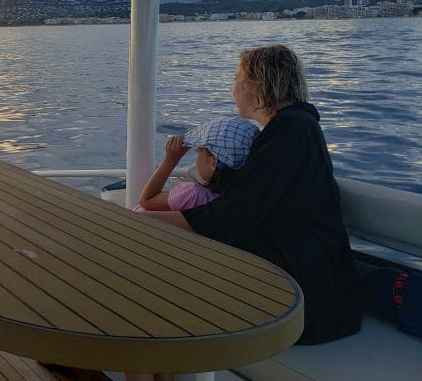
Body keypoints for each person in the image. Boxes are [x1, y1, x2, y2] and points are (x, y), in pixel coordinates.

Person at [142, 44, 361, 345]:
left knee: (151, 258)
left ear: (255, 84)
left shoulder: (289, 131)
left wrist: (147, 221)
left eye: (236, 78)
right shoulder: (296, 127)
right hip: (315, 279)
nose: (233, 90)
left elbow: (231, 216)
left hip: (305, 294)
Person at [135, 116, 260, 212]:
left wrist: (170, 160)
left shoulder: (192, 195)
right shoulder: (245, 197)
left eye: (199, 150)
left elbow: (146, 201)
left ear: (213, 162)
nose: (196, 156)